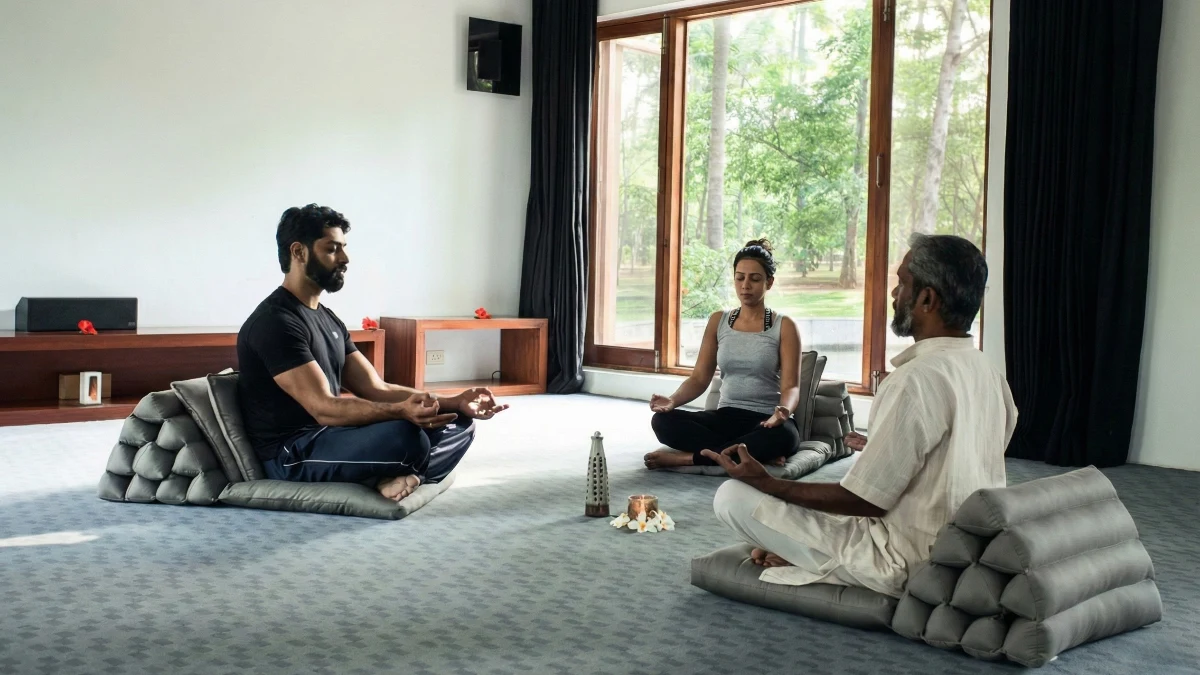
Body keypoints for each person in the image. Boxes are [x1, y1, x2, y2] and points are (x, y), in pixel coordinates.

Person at [706, 234, 1017, 598]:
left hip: (904, 559)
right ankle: (799, 550)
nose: (893, 294)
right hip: (961, 547)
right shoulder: (987, 370)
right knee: (812, 502)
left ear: (928, 299)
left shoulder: (915, 379)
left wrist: (767, 483)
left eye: (902, 283)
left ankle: (814, 560)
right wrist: (881, 447)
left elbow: (864, 501)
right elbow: (967, 454)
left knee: (731, 495)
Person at [236, 204, 508, 502]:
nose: (345, 258)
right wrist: (401, 412)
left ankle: (400, 477)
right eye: (332, 249)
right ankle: (394, 473)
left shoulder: (327, 318)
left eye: (344, 248)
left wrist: (453, 401)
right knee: (406, 437)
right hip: (292, 452)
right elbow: (323, 407)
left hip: (333, 436)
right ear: (299, 252)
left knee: (458, 423)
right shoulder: (275, 322)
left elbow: (376, 388)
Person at [644, 239, 803, 471]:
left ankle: (688, 459)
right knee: (662, 422)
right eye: (740, 277)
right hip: (725, 417)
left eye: (755, 278)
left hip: (766, 421)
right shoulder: (719, 321)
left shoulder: (784, 326)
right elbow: (699, 378)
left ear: (769, 282)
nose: (745, 285)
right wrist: (673, 400)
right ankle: (748, 455)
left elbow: (792, 388)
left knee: (786, 437)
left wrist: (784, 411)